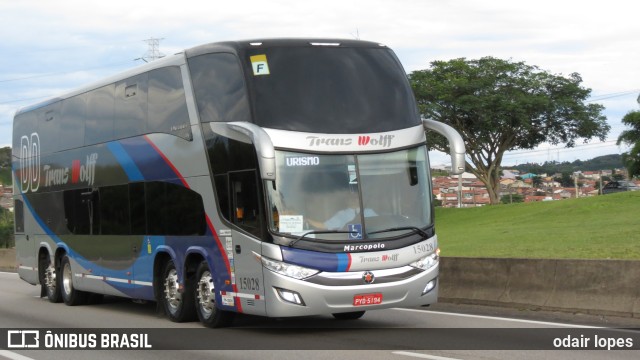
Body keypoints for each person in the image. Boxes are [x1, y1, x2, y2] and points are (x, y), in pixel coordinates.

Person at [307, 195, 377, 230]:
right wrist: (307, 220)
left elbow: (380, 223)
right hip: (347, 242)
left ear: (360, 199)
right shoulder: (341, 214)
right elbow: (324, 226)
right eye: (350, 198)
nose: (353, 199)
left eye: (355, 197)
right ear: (347, 201)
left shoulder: (369, 211)